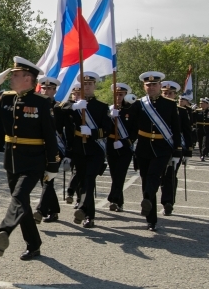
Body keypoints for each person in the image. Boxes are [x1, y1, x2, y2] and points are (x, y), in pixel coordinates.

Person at [0, 57, 59, 260]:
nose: (11, 78)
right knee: (22, 205)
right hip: (12, 159)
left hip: (34, 160)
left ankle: (5, 230)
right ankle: (34, 244)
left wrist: (52, 164)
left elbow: (50, 135)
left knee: (19, 197)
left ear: (28, 79)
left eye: (15, 75)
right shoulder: (7, 98)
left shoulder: (41, 103)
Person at [123, 71, 182, 231]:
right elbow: (130, 123)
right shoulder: (139, 104)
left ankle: (148, 198)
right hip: (143, 146)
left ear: (159, 86)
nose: (151, 87)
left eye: (154, 85)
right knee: (145, 179)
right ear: (144, 86)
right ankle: (151, 219)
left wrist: (177, 150)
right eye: (148, 85)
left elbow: (176, 129)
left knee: (154, 176)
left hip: (163, 147)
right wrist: (120, 110)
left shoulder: (169, 104)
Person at [68, 72, 112, 229]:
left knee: (89, 180)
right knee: (81, 181)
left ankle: (86, 213)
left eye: (90, 84)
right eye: (84, 84)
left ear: (94, 86)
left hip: (95, 150)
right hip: (79, 149)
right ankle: (85, 211)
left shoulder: (101, 107)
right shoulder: (74, 106)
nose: (86, 87)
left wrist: (92, 132)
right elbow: (59, 112)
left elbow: (107, 130)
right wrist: (73, 105)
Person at [34, 76, 71, 223]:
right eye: (44, 88)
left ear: (55, 91)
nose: (46, 90)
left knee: (49, 179)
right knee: (44, 180)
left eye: (49, 88)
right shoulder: (36, 106)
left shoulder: (60, 108)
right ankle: (54, 210)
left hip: (56, 149)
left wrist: (69, 152)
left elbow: (68, 130)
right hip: (40, 148)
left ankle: (41, 210)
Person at [159, 81, 192, 216]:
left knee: (170, 175)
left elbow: (187, 131)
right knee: (160, 175)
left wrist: (188, 151)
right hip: (159, 147)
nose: (167, 95)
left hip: (175, 147)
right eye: (165, 93)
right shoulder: (156, 108)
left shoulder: (182, 111)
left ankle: (168, 202)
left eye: (170, 93)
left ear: (175, 95)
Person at [106, 83, 135, 213]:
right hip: (111, 145)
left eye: (121, 94)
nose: (118, 97)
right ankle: (119, 201)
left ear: (126, 95)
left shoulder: (131, 110)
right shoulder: (109, 109)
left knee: (121, 173)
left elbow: (136, 129)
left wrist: (126, 141)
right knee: (114, 174)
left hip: (125, 146)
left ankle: (114, 199)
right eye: (116, 94)